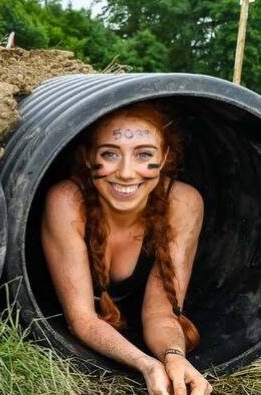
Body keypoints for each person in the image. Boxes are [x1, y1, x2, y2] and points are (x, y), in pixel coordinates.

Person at [41, 102, 212, 395]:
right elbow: (81, 317)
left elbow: (161, 312)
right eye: (109, 154)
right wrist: (146, 365)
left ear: (166, 156)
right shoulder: (68, 200)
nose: (126, 172)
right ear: (87, 157)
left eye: (144, 154)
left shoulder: (182, 203)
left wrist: (173, 358)